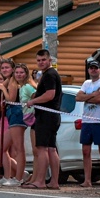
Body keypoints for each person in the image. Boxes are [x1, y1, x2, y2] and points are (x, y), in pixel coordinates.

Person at [23, 49, 62, 189]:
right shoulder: (48, 74)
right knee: (51, 149)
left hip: (46, 116)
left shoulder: (50, 75)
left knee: (42, 148)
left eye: (43, 60)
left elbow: (50, 94)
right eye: (38, 60)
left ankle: (40, 181)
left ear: (49, 60)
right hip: (52, 116)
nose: (41, 63)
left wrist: (33, 101)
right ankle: (54, 181)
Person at [76, 59, 100, 188]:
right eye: (91, 68)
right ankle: (87, 180)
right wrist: (92, 95)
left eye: (95, 68)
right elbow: (78, 97)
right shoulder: (86, 83)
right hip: (87, 121)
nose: (93, 70)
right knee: (86, 151)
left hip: (99, 121)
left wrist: (88, 97)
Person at [1, 62, 34, 186]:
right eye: (17, 72)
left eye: (21, 72)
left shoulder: (25, 85)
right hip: (12, 114)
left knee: (19, 147)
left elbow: (10, 98)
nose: (19, 75)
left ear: (26, 74)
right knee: (3, 147)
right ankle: (9, 176)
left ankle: (19, 178)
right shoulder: (12, 81)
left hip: (18, 114)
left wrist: (3, 89)